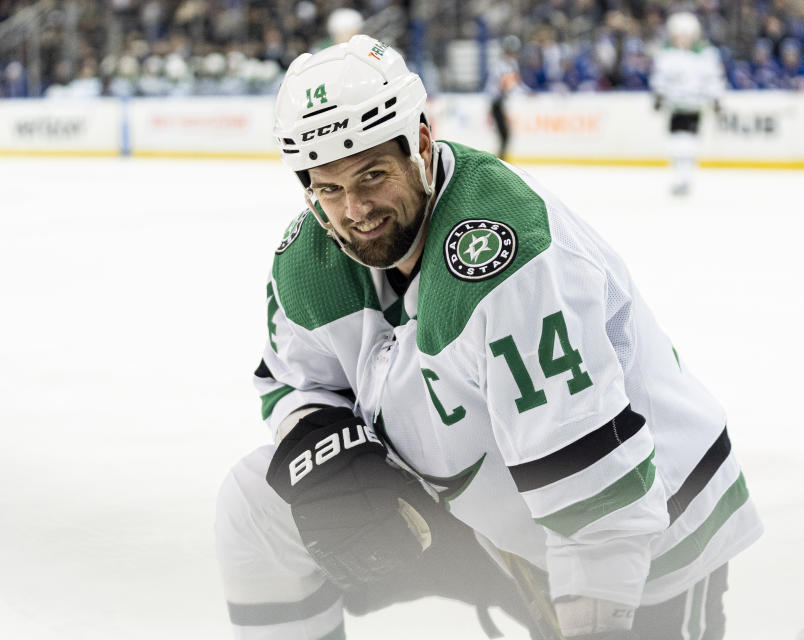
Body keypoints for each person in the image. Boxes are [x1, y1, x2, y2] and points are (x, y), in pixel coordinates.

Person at [215, 35, 762, 640]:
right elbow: (294, 384)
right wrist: (326, 450)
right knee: (258, 503)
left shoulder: (508, 262)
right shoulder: (309, 261)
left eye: (372, 175)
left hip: (651, 523)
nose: (355, 210)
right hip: (482, 507)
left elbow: (601, 509)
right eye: (329, 188)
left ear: (420, 145)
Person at [650, 12, 726, 195]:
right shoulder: (666, 54)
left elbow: (713, 78)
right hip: (675, 105)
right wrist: (659, 95)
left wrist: (715, 98)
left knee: (688, 143)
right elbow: (659, 78)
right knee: (675, 143)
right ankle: (679, 178)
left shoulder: (705, 54)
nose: (681, 39)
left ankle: (685, 179)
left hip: (693, 105)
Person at [486, 34, 524, 159]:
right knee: (505, 135)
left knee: (505, 135)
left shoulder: (508, 64)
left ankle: (501, 159)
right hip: (496, 102)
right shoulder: (503, 65)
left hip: (499, 102)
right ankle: (500, 161)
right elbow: (506, 84)